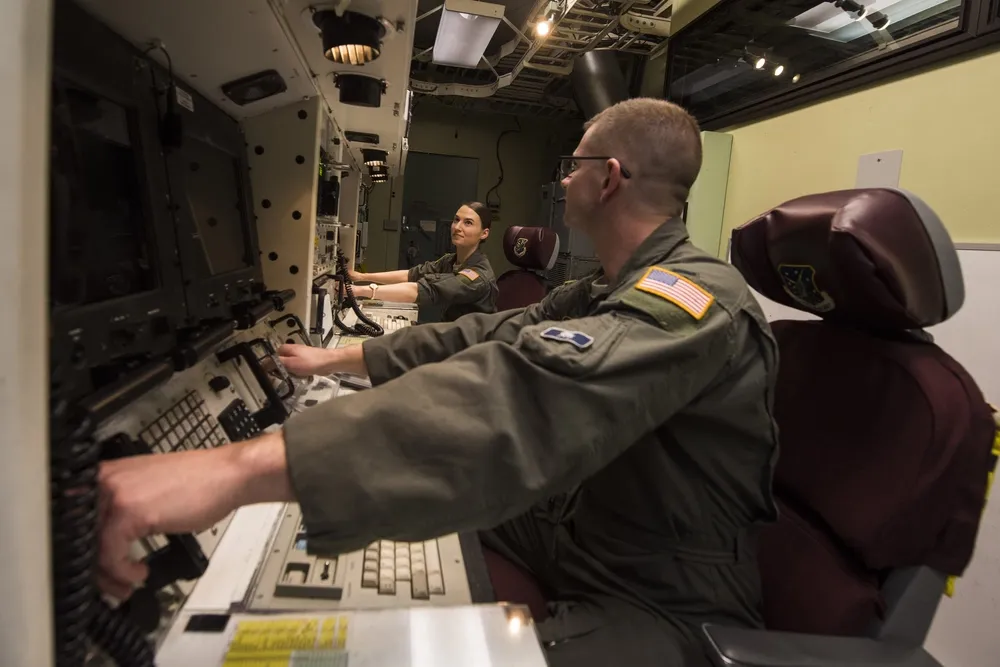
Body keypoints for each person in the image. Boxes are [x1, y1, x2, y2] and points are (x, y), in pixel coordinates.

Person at [97, 99, 779, 666]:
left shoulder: (695, 299)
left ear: (608, 179)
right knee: (359, 524)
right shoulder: (601, 287)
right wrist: (339, 362)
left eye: (573, 165)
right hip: (575, 530)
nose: (565, 179)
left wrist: (237, 469)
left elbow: (530, 393)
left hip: (660, 592)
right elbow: (480, 337)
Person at [347, 202, 498, 321]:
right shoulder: (450, 260)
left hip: (471, 347)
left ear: (484, 233)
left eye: (468, 223)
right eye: (456, 220)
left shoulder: (477, 276)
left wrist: (356, 291)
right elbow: (411, 275)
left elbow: (423, 290)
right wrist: (361, 277)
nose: (457, 227)